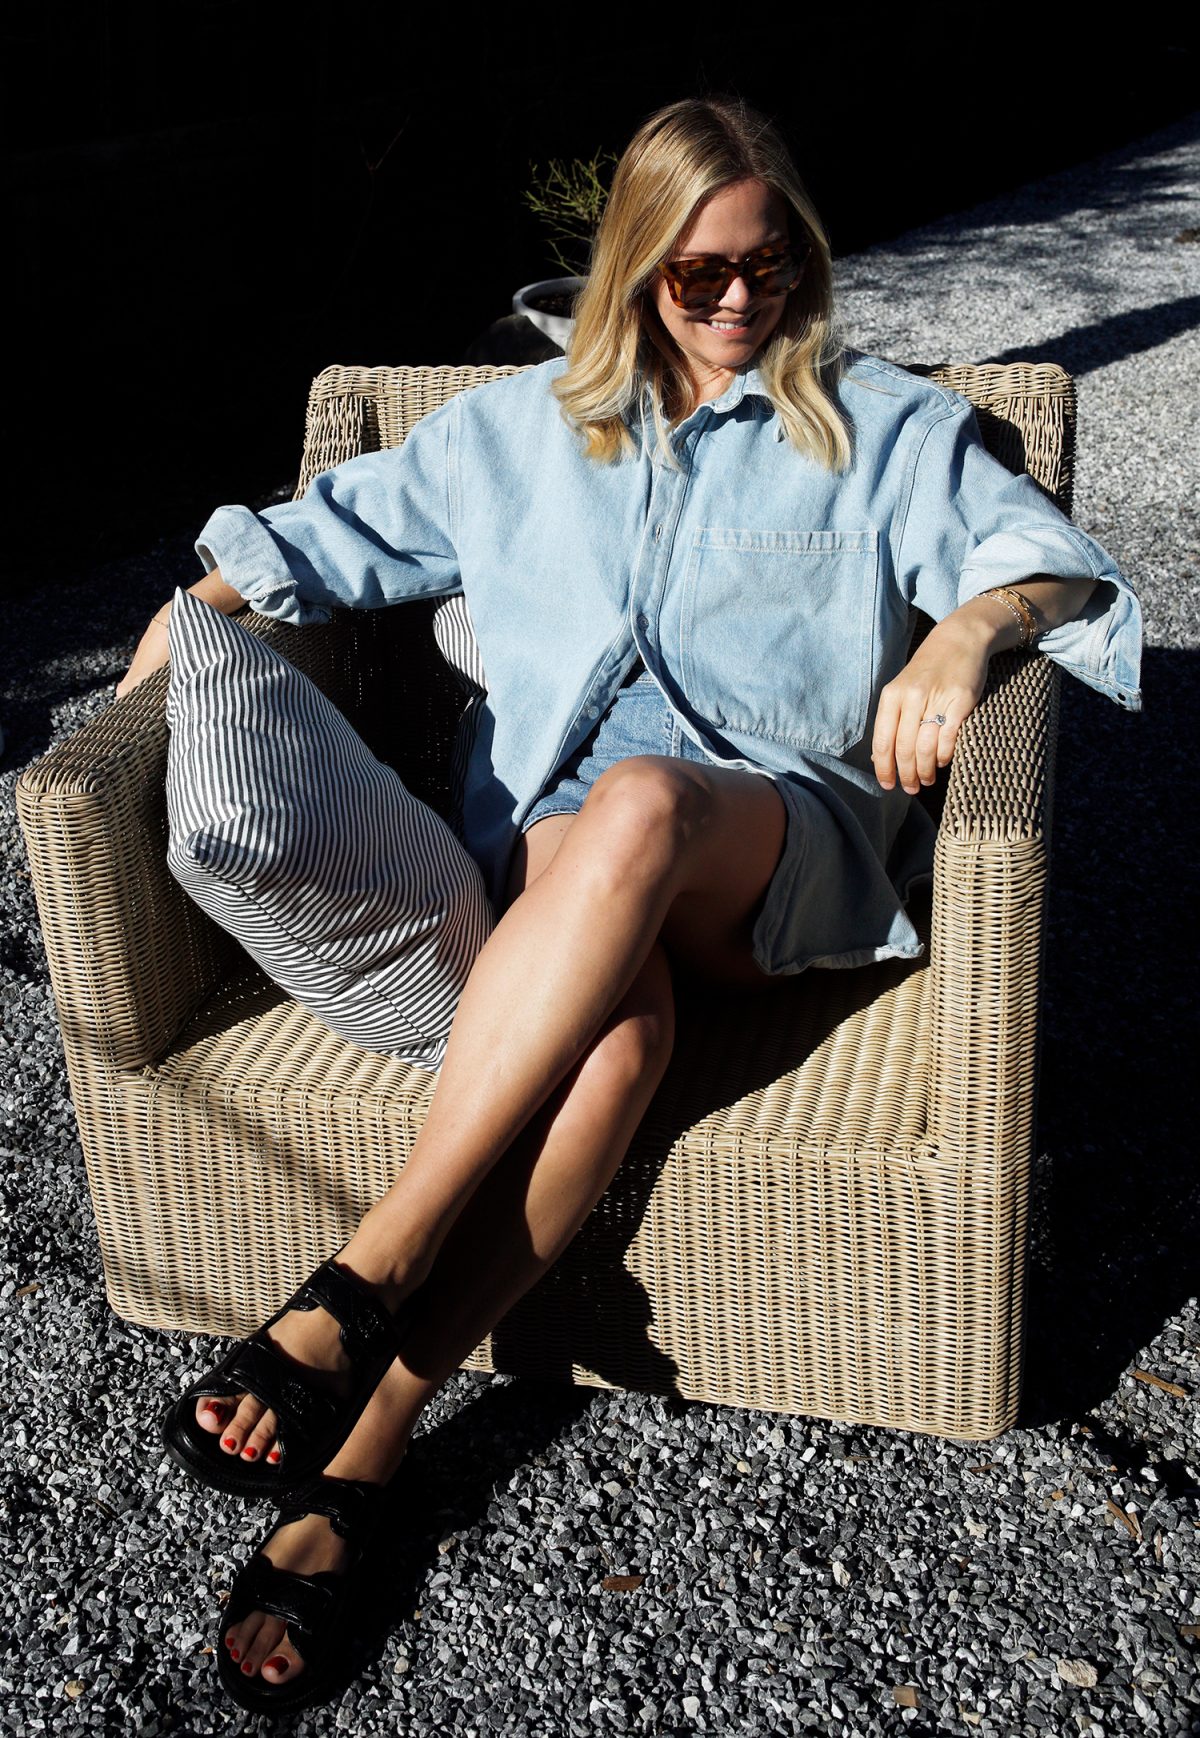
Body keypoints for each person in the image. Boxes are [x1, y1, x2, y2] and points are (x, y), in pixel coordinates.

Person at [120, 97, 1140, 1711]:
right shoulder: (517, 433)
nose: (741, 300)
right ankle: (372, 1451)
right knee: (616, 1039)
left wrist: (962, 634)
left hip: (765, 853)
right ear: (635, 271)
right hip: (566, 866)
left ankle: (367, 1266)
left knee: (649, 801)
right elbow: (326, 533)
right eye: (699, 274)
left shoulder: (876, 426)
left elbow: (1054, 564)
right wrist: (194, 614)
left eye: (771, 263)